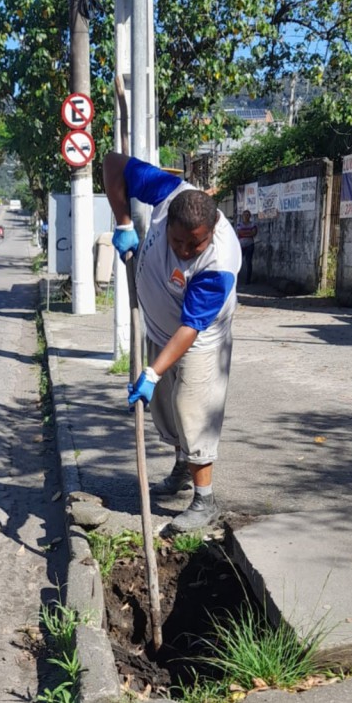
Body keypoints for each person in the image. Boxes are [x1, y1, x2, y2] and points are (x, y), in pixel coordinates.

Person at [104, 151, 242, 533]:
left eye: (195, 245)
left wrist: (151, 372)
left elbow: (191, 327)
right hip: (159, 329)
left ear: (212, 231)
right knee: (167, 411)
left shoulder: (219, 264)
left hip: (201, 340)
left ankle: (205, 500)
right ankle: (183, 466)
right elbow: (112, 163)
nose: (184, 251)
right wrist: (123, 221)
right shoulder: (168, 194)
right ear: (167, 221)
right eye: (178, 240)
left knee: (191, 409)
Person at [235, 208, 258, 283]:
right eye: (245, 215)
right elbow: (239, 233)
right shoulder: (239, 224)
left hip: (250, 245)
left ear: (250, 216)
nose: (246, 216)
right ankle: (236, 278)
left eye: (248, 215)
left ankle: (248, 280)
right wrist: (249, 233)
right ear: (242, 216)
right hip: (241, 245)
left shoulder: (252, 224)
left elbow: (254, 233)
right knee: (238, 261)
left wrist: (244, 233)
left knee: (248, 262)